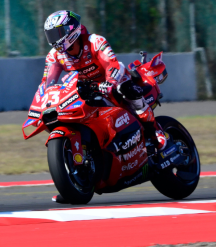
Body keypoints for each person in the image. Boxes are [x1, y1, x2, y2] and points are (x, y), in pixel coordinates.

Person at [42, 10, 167, 151]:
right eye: (50, 35)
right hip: (85, 89)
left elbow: (112, 64)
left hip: (113, 80)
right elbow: (47, 82)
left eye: (57, 34)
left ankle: (156, 132)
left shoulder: (95, 41)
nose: (54, 39)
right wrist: (45, 99)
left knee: (127, 90)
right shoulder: (54, 56)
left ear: (70, 30)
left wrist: (110, 82)